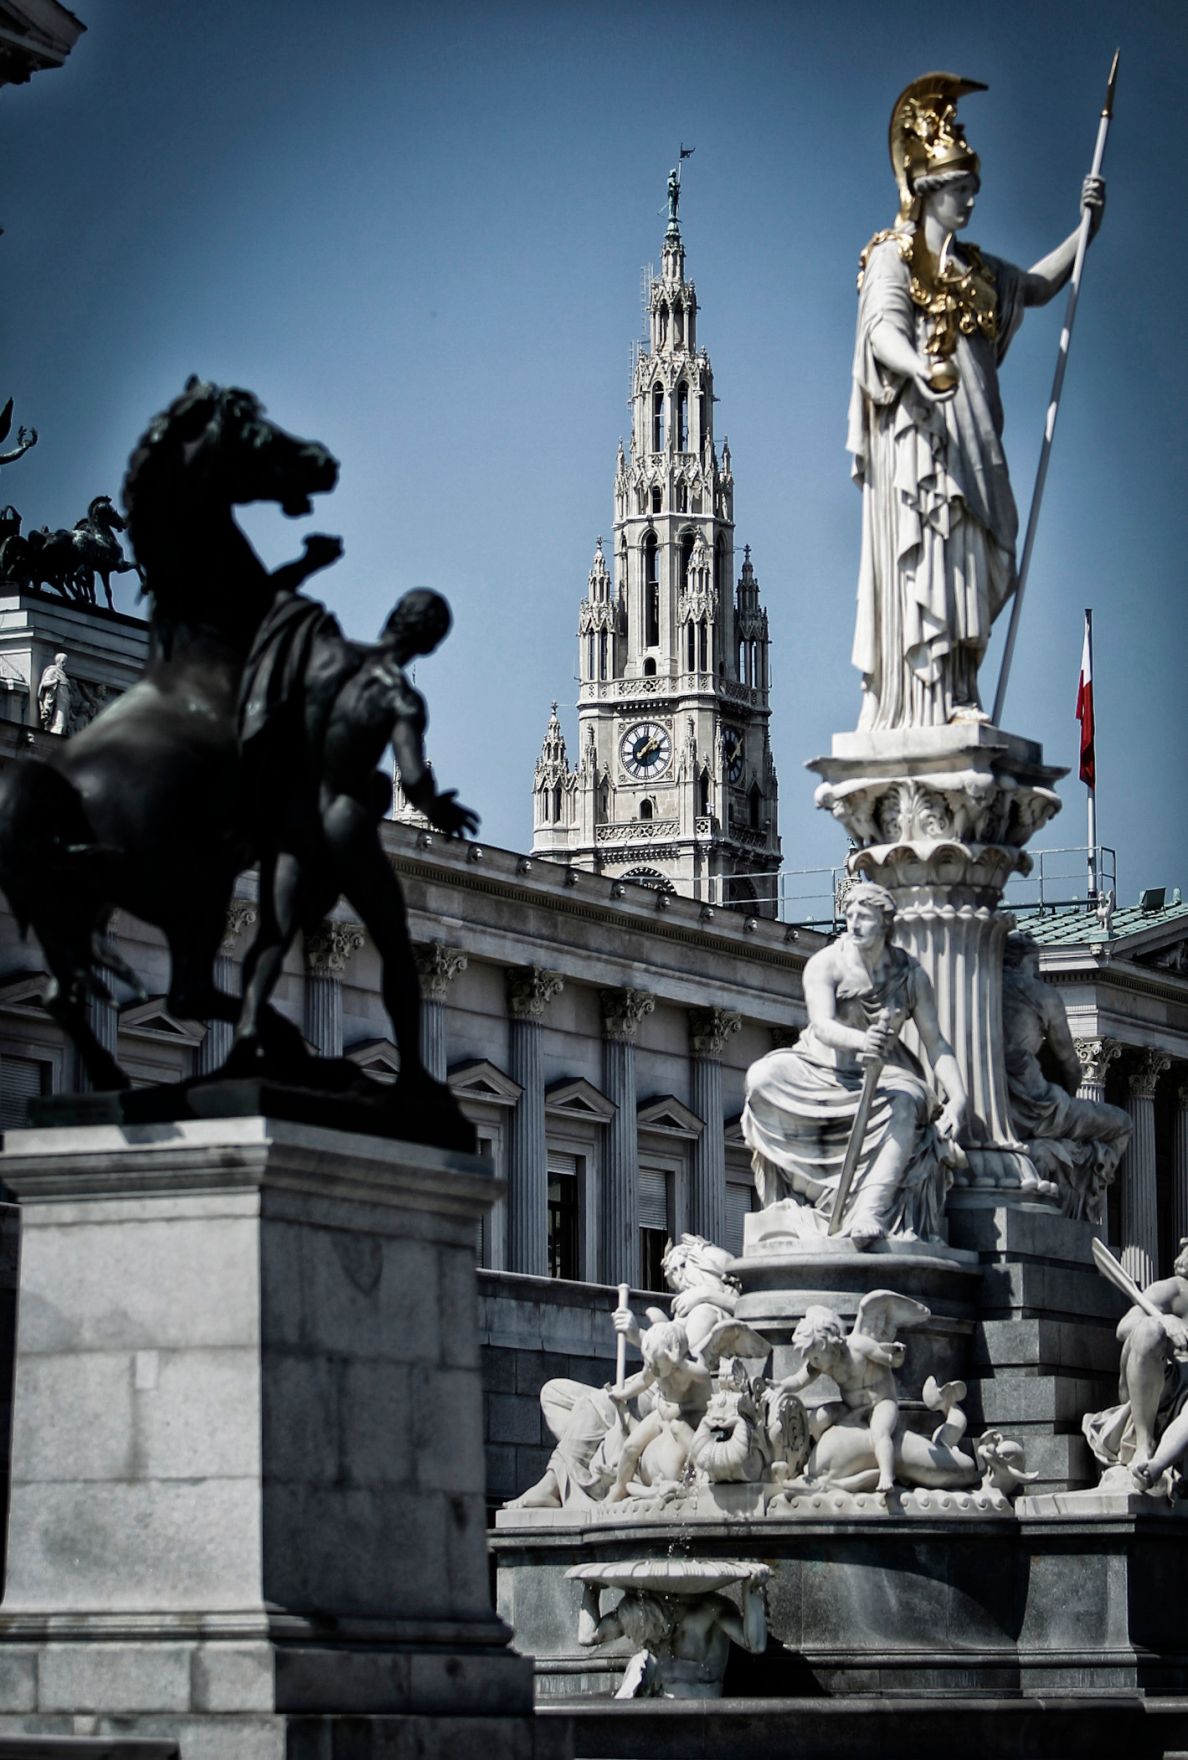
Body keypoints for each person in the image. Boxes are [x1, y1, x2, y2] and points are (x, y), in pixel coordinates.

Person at [849, 75, 1105, 729]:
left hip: (979, 438)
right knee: (932, 547)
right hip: (924, 441)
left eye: (972, 190)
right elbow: (882, 330)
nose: (969, 201)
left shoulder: (980, 269)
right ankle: (936, 695)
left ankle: (961, 683)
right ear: (927, 188)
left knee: (983, 555)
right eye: (960, 189)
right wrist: (922, 368)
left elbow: (1041, 287)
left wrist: (1086, 230)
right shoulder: (893, 259)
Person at [233, 586, 478, 1089]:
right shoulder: (397, 693)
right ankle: (412, 1071)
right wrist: (438, 808)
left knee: (274, 933)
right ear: (429, 644)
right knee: (394, 945)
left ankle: (245, 1033)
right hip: (344, 819)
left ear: (391, 615)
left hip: (296, 811)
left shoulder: (327, 655)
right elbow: (411, 778)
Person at [742, 881, 966, 1248]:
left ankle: (870, 1210)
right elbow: (823, 1025)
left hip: (883, 1077)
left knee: (907, 1101)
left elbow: (936, 1043)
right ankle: (823, 1195)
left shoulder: (910, 975)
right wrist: (862, 1040)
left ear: (886, 922)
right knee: (761, 1078)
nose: (854, 923)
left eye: (865, 916)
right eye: (850, 916)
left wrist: (957, 1099)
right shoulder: (825, 964)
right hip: (819, 1067)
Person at [1001, 932, 1130, 1220]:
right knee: (1122, 1124)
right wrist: (1066, 1099)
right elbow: (1070, 1063)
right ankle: (1090, 1187)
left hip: (993, 1105)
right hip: (1037, 1105)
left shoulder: (980, 988)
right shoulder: (1040, 994)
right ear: (1028, 961)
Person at [1084, 1241, 1188, 1492]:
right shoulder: (1174, 1290)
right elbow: (1124, 1329)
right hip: (1159, 1382)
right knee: (1148, 1330)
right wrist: (1165, 1321)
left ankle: (1155, 1466)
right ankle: (1143, 1444)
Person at [37, 651, 70, 734]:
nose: (65, 664)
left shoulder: (63, 674)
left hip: (65, 702)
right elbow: (44, 684)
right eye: (63, 662)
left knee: (64, 724)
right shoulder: (52, 671)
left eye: (65, 662)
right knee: (59, 723)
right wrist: (55, 681)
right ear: (59, 661)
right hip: (58, 703)